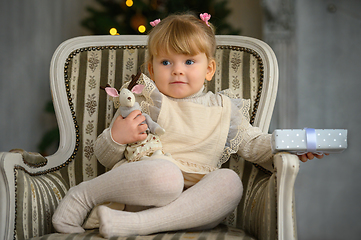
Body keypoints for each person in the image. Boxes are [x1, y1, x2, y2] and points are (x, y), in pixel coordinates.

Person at [52, 13, 324, 238]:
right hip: (147, 187)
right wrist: (116, 136)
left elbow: (254, 144)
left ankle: (134, 226)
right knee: (168, 177)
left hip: (191, 207)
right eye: (166, 62)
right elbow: (104, 155)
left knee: (229, 182)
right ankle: (83, 196)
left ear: (209, 69)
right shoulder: (145, 101)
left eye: (189, 61)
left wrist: (292, 144)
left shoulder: (224, 109)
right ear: (152, 67)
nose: (177, 70)